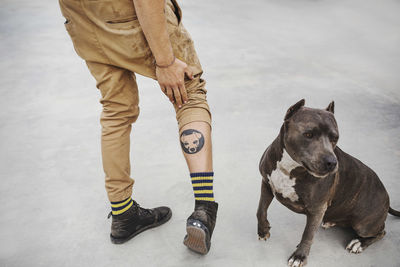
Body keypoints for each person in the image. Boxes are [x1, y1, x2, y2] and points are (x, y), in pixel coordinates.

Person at [59, 0, 218, 254]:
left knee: (116, 110)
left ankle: (123, 214)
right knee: (189, 92)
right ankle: (204, 208)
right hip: (129, 18)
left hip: (84, 21)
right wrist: (165, 62)